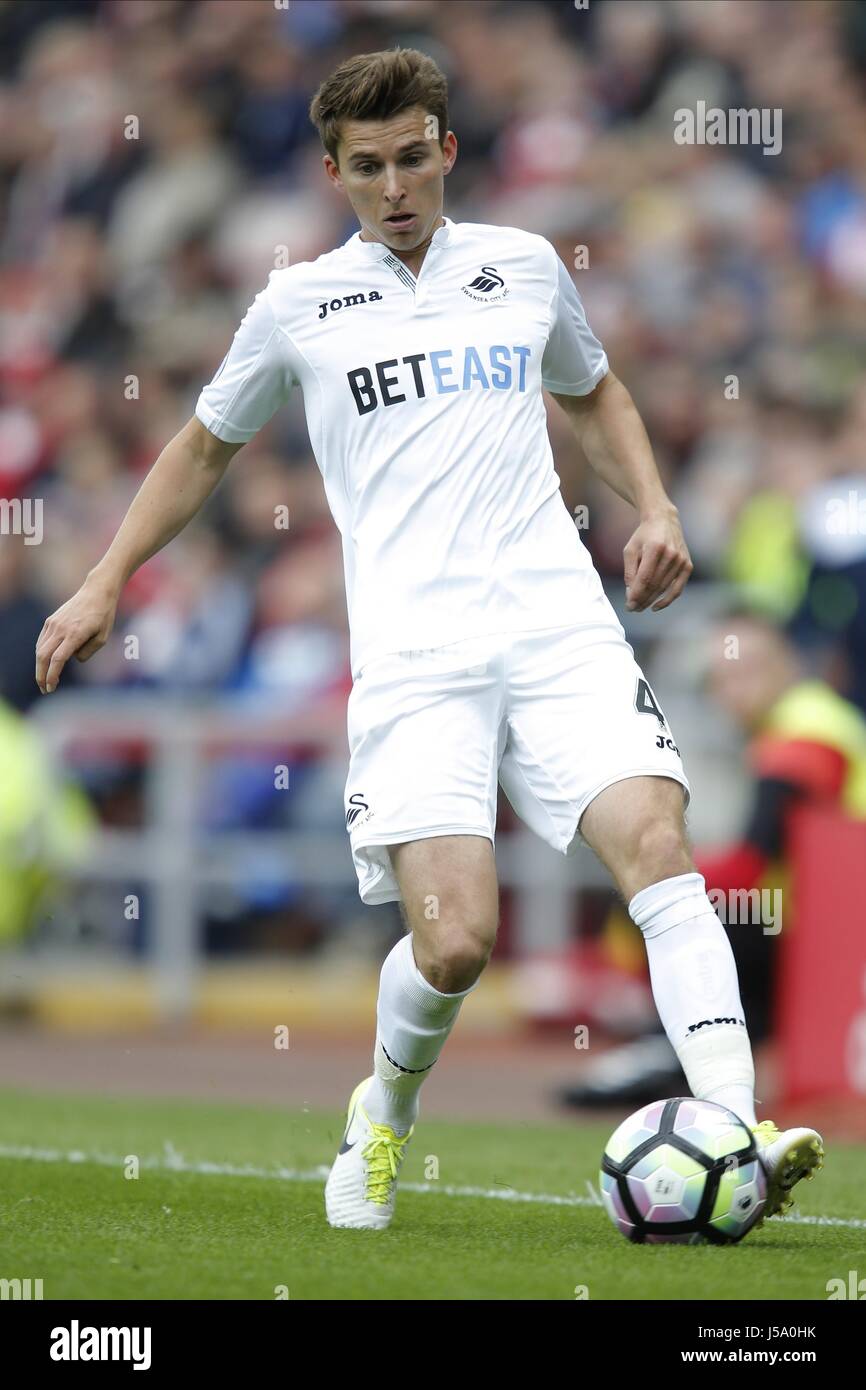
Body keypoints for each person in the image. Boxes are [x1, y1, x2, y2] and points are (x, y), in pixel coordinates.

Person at [35, 48, 822, 1232]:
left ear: (447, 151)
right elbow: (201, 447)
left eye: (413, 158)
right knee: (453, 945)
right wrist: (104, 580)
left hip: (557, 628)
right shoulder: (297, 304)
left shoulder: (521, 267)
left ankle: (734, 1128)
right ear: (331, 174)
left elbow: (593, 390)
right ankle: (383, 1117)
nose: (394, 185)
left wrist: (653, 508)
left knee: (657, 842)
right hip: (415, 658)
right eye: (367, 168)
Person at [559, 612, 866, 1108]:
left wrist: (654, 892)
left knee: (687, 908)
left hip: (833, 935)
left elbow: (751, 860)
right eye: (722, 680)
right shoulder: (809, 722)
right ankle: (694, 1051)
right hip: (827, 926)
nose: (732, 691)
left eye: (748, 672)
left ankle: (671, 1046)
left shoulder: (806, 730)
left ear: (788, 665)